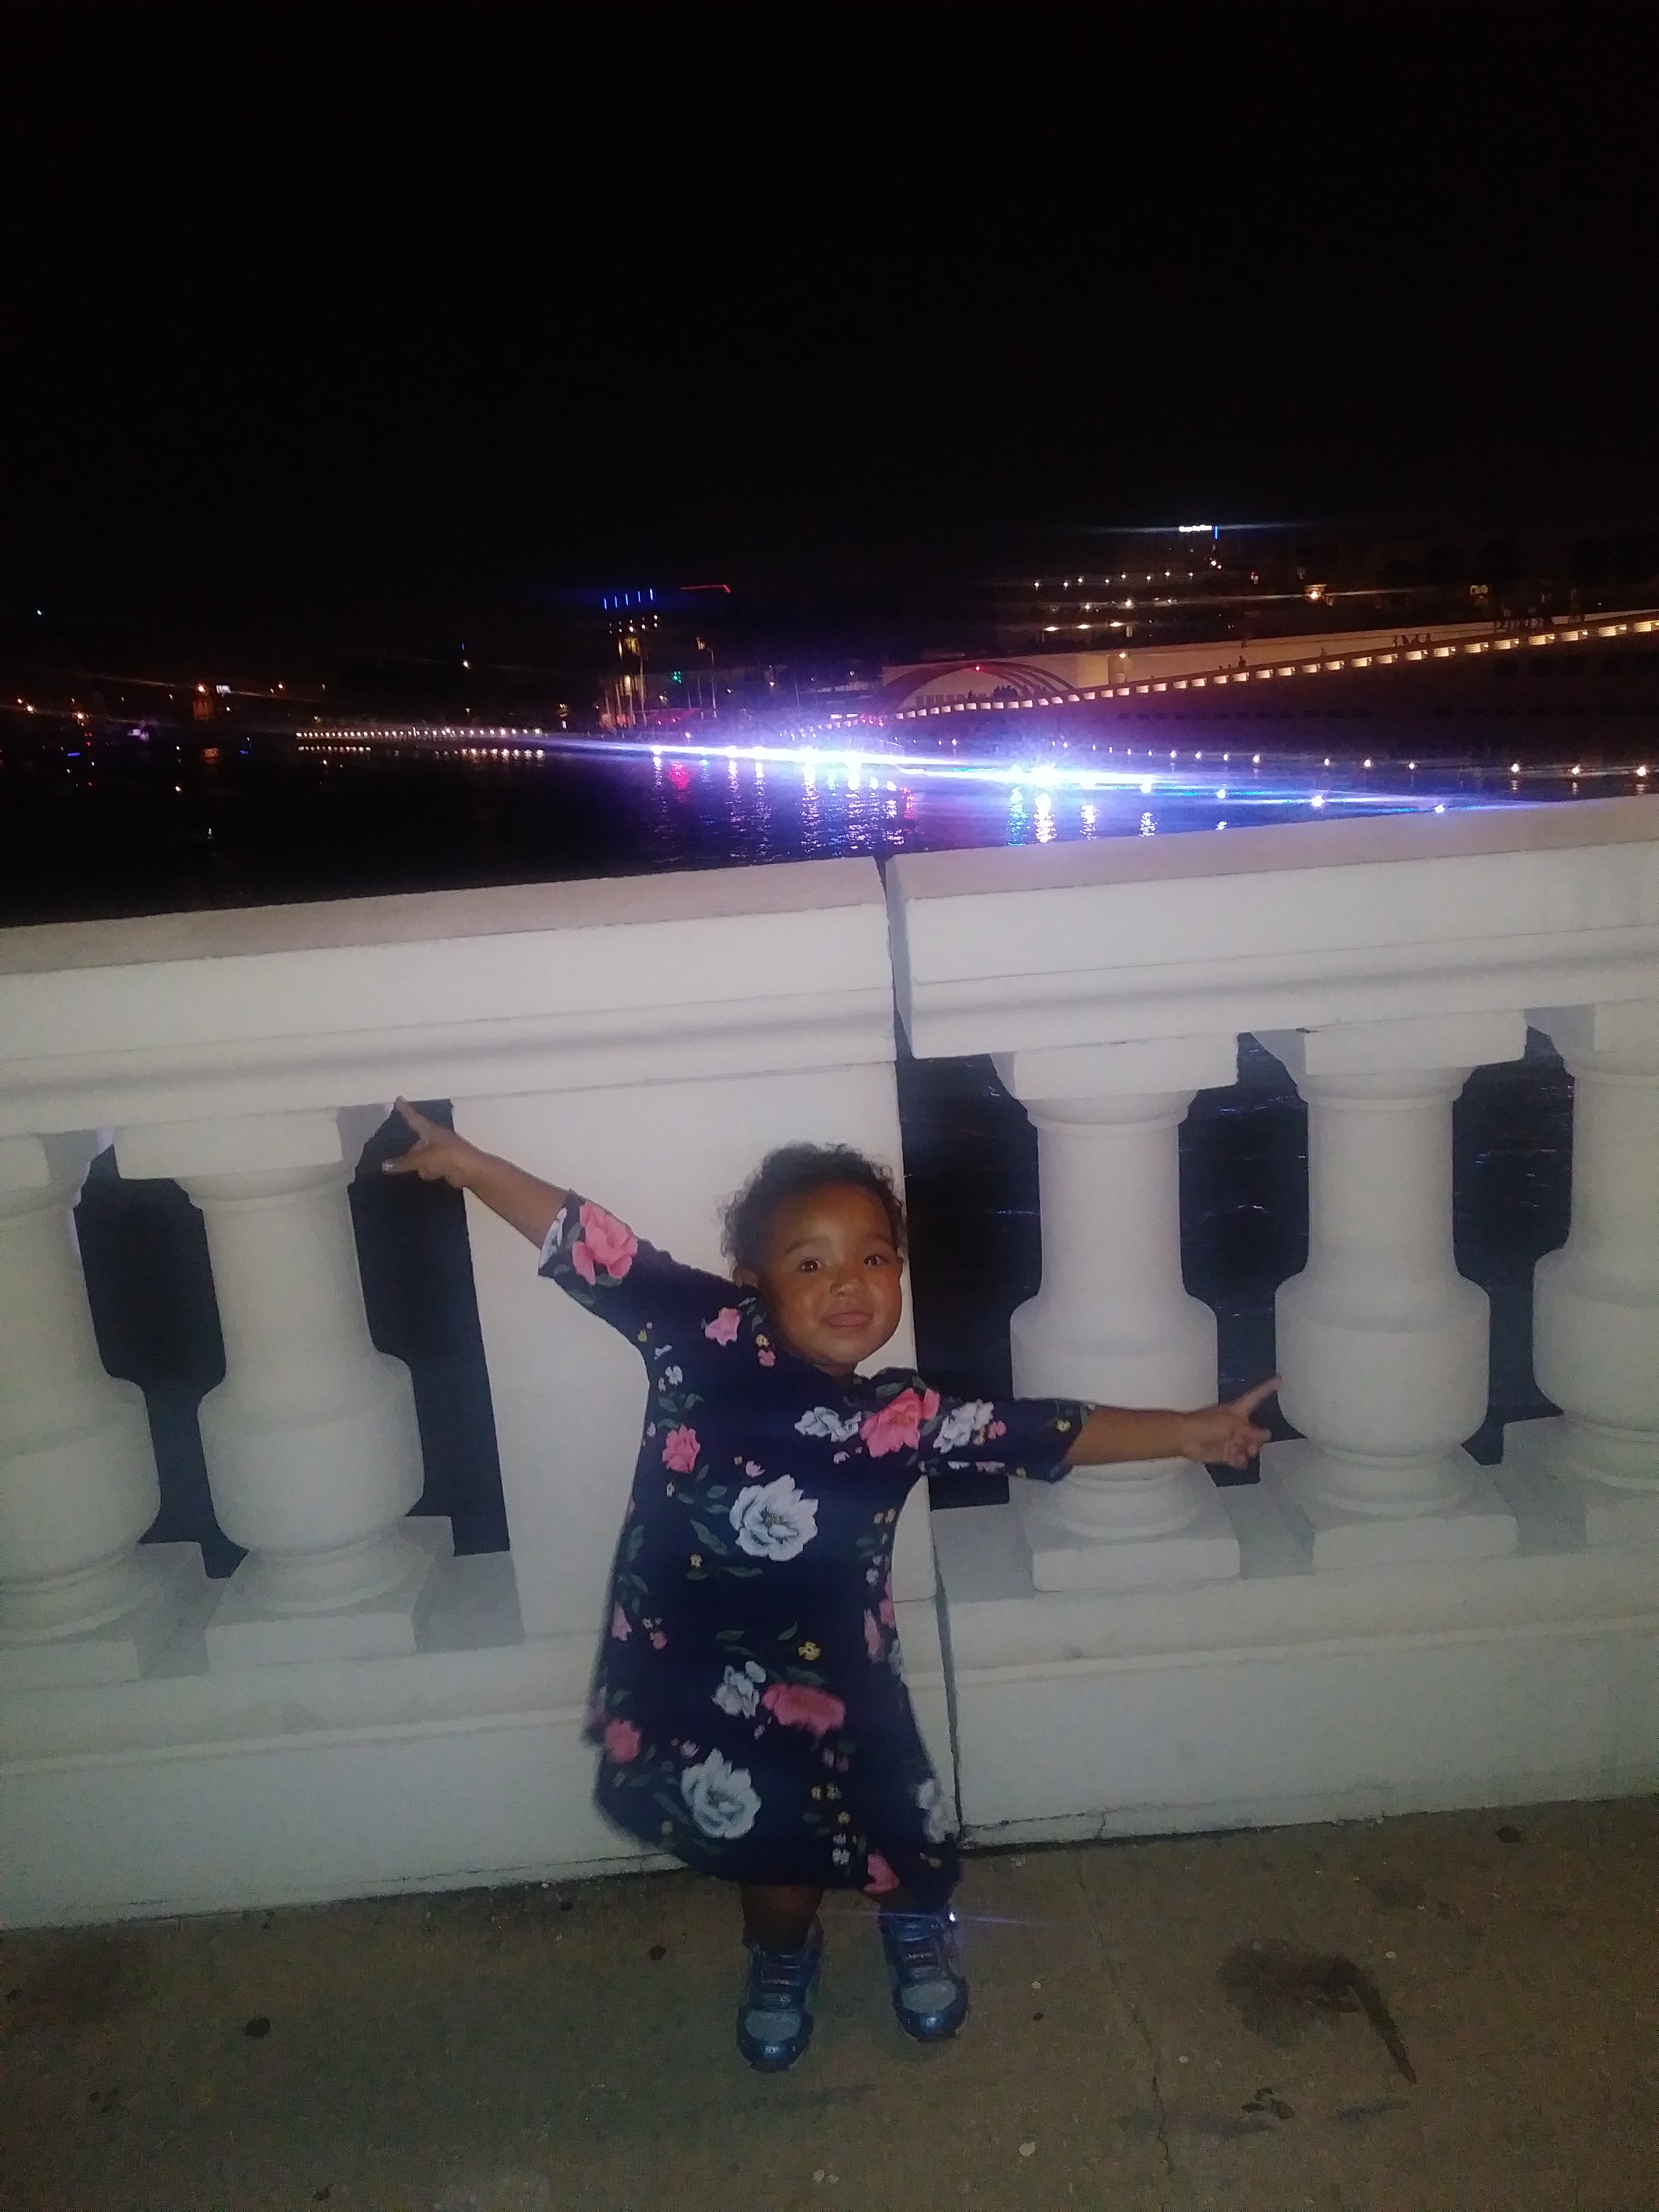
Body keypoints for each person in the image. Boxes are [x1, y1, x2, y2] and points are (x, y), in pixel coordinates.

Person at [384, 1102, 1276, 2072]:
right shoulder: (704, 1337)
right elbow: (594, 1245)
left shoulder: (902, 1417)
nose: (850, 1283)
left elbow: (1043, 1430)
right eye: (811, 1264)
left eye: (874, 1258)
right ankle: (781, 1953)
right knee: (772, 1866)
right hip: (705, 1683)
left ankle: (915, 1926)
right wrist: (474, 1167)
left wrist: (1188, 1431)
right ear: (752, 1284)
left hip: (843, 1690)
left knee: (896, 1837)